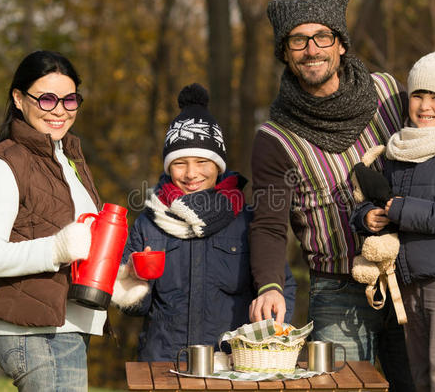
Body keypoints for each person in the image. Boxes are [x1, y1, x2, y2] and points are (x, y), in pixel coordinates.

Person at [248, 0, 435, 391]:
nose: (312, 50)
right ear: (285, 53)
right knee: (340, 387)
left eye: (322, 37)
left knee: (422, 383)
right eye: (298, 40)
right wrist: (270, 284)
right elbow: (270, 225)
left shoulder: (388, 94)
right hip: (336, 288)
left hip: (409, 274)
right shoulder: (274, 138)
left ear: (340, 45)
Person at [111, 83, 296, 362]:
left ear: (218, 165)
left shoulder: (247, 222)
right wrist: (133, 281)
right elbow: (134, 308)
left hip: (230, 366)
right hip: (163, 366)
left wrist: (264, 342)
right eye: (179, 163)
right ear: (167, 166)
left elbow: (282, 287)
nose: (191, 174)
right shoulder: (149, 224)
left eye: (202, 161)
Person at [352, 42, 435, 391]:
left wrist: (398, 209)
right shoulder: (402, 149)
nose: (425, 106)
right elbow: (378, 200)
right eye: (418, 95)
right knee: (421, 372)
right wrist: (368, 218)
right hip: (409, 277)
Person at [0, 50, 104, 391]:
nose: (59, 110)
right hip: (32, 333)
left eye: (70, 100)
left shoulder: (70, 160)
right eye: (46, 99)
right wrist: (57, 248)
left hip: (69, 328)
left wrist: (117, 280)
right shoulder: (4, 164)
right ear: (18, 98)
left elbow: (80, 249)